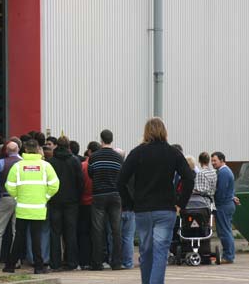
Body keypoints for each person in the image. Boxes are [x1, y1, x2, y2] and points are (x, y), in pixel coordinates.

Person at [117, 117, 194, 284]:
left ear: (146, 132)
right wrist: (181, 203)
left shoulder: (137, 152)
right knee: (160, 252)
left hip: (143, 209)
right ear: (164, 131)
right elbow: (189, 178)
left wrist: (130, 203)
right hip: (166, 209)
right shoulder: (173, 153)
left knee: (146, 251)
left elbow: (120, 180)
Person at [3, 139, 60, 274]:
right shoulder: (45, 166)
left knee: (19, 237)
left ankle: (10, 266)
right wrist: (45, 197)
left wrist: (17, 197)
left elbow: (9, 185)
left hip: (22, 208)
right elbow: (55, 185)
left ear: (26, 150)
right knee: (37, 238)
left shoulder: (18, 166)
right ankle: (39, 267)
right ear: (38, 149)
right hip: (39, 208)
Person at [88, 129, 123, 270]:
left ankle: (97, 263)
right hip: (115, 195)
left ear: (101, 140)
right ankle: (116, 262)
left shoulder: (94, 157)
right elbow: (122, 176)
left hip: (98, 195)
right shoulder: (118, 157)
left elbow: (91, 174)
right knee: (116, 230)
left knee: (97, 230)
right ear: (112, 140)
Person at [47, 136, 84, 271]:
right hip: (71, 202)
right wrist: (77, 197)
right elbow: (80, 181)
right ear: (68, 146)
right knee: (71, 232)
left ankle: (55, 263)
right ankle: (71, 262)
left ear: (57, 145)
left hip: (55, 201)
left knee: (55, 232)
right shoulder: (74, 161)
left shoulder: (50, 161)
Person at [211, 151, 238, 264]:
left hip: (223, 206)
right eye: (212, 160)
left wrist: (213, 203)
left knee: (225, 232)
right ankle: (229, 255)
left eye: (214, 160)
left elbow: (221, 192)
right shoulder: (225, 171)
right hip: (227, 204)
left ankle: (228, 256)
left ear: (222, 160)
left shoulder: (223, 173)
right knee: (226, 231)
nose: (212, 163)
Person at [78, 141, 101, 269]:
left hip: (84, 203)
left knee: (83, 233)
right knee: (97, 232)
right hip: (97, 203)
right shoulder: (100, 165)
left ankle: (84, 261)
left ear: (89, 151)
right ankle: (97, 260)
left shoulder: (83, 166)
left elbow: (80, 184)